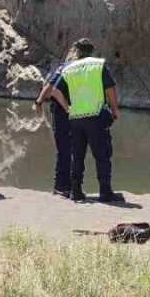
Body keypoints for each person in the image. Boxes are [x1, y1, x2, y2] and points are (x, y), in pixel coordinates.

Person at [51, 38, 123, 202]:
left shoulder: (69, 68)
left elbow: (55, 91)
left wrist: (67, 108)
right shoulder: (98, 65)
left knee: (77, 156)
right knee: (102, 155)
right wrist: (115, 109)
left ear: (78, 51)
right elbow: (110, 89)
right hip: (96, 115)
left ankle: (76, 192)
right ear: (92, 51)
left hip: (76, 117)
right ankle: (105, 192)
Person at [34, 47, 77, 197]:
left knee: (67, 148)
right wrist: (67, 109)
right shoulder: (70, 68)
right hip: (65, 112)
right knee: (67, 148)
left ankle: (65, 185)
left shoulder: (63, 67)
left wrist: (39, 101)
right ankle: (62, 186)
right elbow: (53, 88)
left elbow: (50, 85)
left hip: (66, 111)